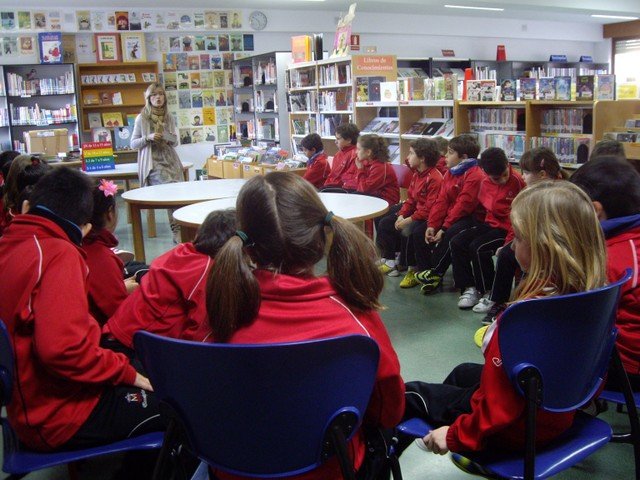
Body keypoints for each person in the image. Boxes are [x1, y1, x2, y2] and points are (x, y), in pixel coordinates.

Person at [204, 172, 405, 480]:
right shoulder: (355, 318)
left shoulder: (224, 311)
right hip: (332, 470)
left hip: (234, 471)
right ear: (321, 238)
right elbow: (388, 411)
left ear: (247, 245)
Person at [403, 181, 607, 458]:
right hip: (557, 413)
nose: (511, 246)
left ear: (545, 248)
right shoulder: (594, 297)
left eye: (518, 238)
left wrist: (456, 435)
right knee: (463, 372)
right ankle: (444, 422)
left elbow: (503, 407)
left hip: (515, 432)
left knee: (410, 395)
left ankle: (382, 459)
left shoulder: (525, 320)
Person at [0, 167, 162, 455]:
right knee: (181, 404)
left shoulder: (13, 240)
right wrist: (125, 373)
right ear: (85, 225)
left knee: (147, 368)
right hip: (59, 417)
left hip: (28, 405)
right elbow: (63, 349)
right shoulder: (58, 254)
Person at [104, 209, 236, 352]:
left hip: (117, 331)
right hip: (133, 346)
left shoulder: (182, 250)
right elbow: (201, 335)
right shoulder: (208, 272)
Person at [570, 156, 640, 392]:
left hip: (625, 369)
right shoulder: (628, 242)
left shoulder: (612, 258)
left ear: (594, 210)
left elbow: (580, 317)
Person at [476, 147, 566, 323]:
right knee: (506, 254)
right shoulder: (531, 193)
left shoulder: (559, 194)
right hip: (530, 240)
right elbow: (518, 224)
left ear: (542, 174)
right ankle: (499, 301)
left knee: (520, 257)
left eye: (526, 172)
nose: (522, 176)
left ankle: (524, 301)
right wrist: (510, 242)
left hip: (549, 246)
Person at [450, 147, 525, 309]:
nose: (503, 180)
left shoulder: (518, 181)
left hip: (507, 228)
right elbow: (483, 207)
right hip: (489, 224)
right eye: (497, 179)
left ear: (507, 164)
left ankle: (488, 291)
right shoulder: (484, 181)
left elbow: (518, 217)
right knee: (457, 242)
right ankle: (469, 288)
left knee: (478, 248)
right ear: (486, 173)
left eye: (505, 174)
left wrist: (508, 242)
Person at [414, 135, 485, 295]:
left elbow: (464, 206)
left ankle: (436, 272)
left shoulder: (475, 175)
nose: (445, 156)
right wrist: (433, 225)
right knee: (420, 231)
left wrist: (444, 227)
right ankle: (427, 273)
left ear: (464, 157)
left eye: (450, 152)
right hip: (453, 215)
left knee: (453, 234)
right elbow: (441, 201)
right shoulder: (450, 173)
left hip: (473, 218)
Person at [376, 138, 443, 287]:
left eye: (411, 153)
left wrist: (409, 219)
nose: (408, 157)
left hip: (428, 216)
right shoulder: (417, 174)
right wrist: (401, 214)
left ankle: (412, 269)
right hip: (417, 211)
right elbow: (411, 199)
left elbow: (430, 208)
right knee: (386, 222)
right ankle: (390, 260)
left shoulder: (435, 178)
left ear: (422, 158)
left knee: (409, 231)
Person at [131, 82, 183, 244]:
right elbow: (133, 143)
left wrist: (169, 137)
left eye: (160, 94)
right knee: (171, 193)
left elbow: (175, 142)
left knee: (180, 192)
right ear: (148, 98)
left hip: (170, 159)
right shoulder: (142, 118)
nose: (158, 97)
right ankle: (176, 230)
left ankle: (181, 228)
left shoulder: (169, 117)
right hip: (153, 162)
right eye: (154, 95)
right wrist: (148, 137)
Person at [82, 179, 138, 326]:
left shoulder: (78, 243)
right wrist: (130, 293)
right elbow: (120, 314)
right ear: (110, 214)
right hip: (101, 332)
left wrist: (120, 287)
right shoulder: (101, 257)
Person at [355, 134, 399, 207]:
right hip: (374, 197)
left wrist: (360, 169)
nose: (356, 152)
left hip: (386, 202)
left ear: (368, 152)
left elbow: (364, 189)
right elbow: (360, 186)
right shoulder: (366, 163)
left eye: (358, 149)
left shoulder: (380, 167)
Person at [322, 123, 359, 191]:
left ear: (349, 140)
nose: (335, 142)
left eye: (338, 139)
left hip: (342, 189)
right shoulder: (338, 154)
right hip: (331, 185)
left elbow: (348, 179)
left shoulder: (355, 155)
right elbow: (332, 174)